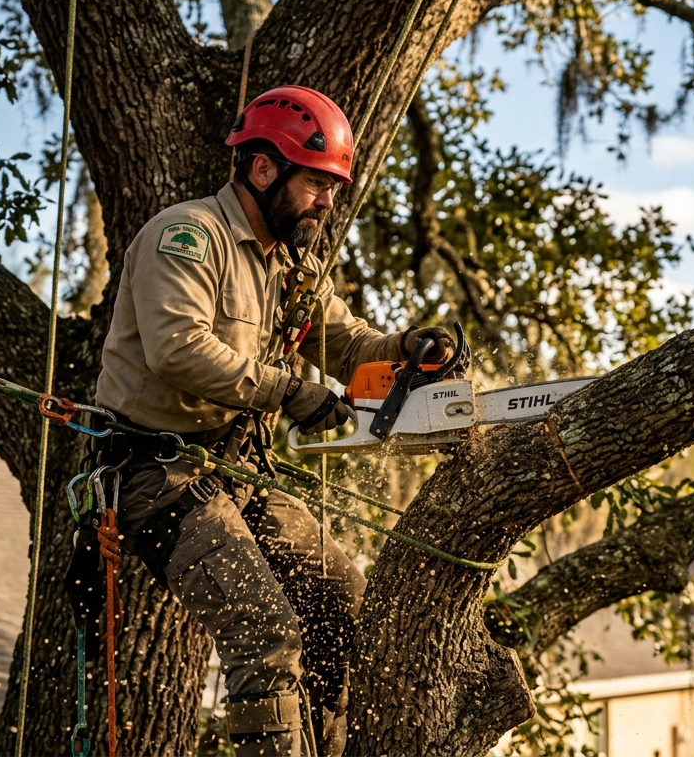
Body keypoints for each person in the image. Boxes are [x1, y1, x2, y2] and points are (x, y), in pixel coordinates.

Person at [93, 84, 454, 757]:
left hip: (237, 469)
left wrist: (407, 347)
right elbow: (178, 350)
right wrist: (287, 391)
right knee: (265, 631)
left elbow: (346, 346)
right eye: (317, 185)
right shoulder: (188, 237)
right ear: (265, 169)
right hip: (155, 473)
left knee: (342, 604)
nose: (326, 203)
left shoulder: (294, 265)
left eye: (333, 189)